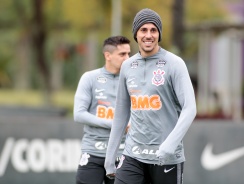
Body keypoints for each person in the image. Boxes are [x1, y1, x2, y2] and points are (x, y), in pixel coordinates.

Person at [104, 8, 197, 184]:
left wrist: (170, 145)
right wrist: (110, 156)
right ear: (136, 34)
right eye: (143, 30)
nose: (149, 35)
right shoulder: (127, 66)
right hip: (133, 156)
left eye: (153, 30)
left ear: (159, 34)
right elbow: (121, 113)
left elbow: (190, 108)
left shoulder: (174, 64)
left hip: (166, 158)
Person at [73, 36, 131, 184]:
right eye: (122, 54)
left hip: (123, 154)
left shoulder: (133, 80)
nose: (128, 58)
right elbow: (79, 114)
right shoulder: (90, 78)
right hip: (93, 152)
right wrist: (115, 124)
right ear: (108, 55)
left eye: (129, 54)